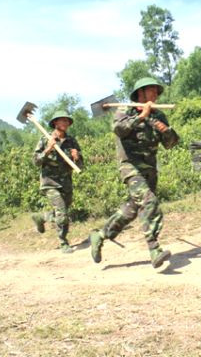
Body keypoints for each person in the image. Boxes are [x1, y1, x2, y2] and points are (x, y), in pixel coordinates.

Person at [90, 77, 179, 268]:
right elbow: (119, 129)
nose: (155, 95)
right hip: (131, 168)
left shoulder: (159, 116)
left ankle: (100, 235)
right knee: (149, 202)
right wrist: (140, 116)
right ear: (141, 93)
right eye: (152, 91)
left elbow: (171, 144)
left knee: (131, 210)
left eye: (157, 91)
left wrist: (167, 131)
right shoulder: (125, 111)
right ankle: (154, 249)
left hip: (150, 170)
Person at [32, 111, 83, 253]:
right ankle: (63, 242)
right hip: (50, 182)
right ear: (55, 123)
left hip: (66, 182)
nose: (65, 123)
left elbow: (80, 166)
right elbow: (36, 161)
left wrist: (77, 157)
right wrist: (48, 149)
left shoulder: (71, 141)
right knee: (61, 212)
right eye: (62, 121)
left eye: (67, 121)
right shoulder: (45, 139)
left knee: (63, 212)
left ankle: (42, 217)